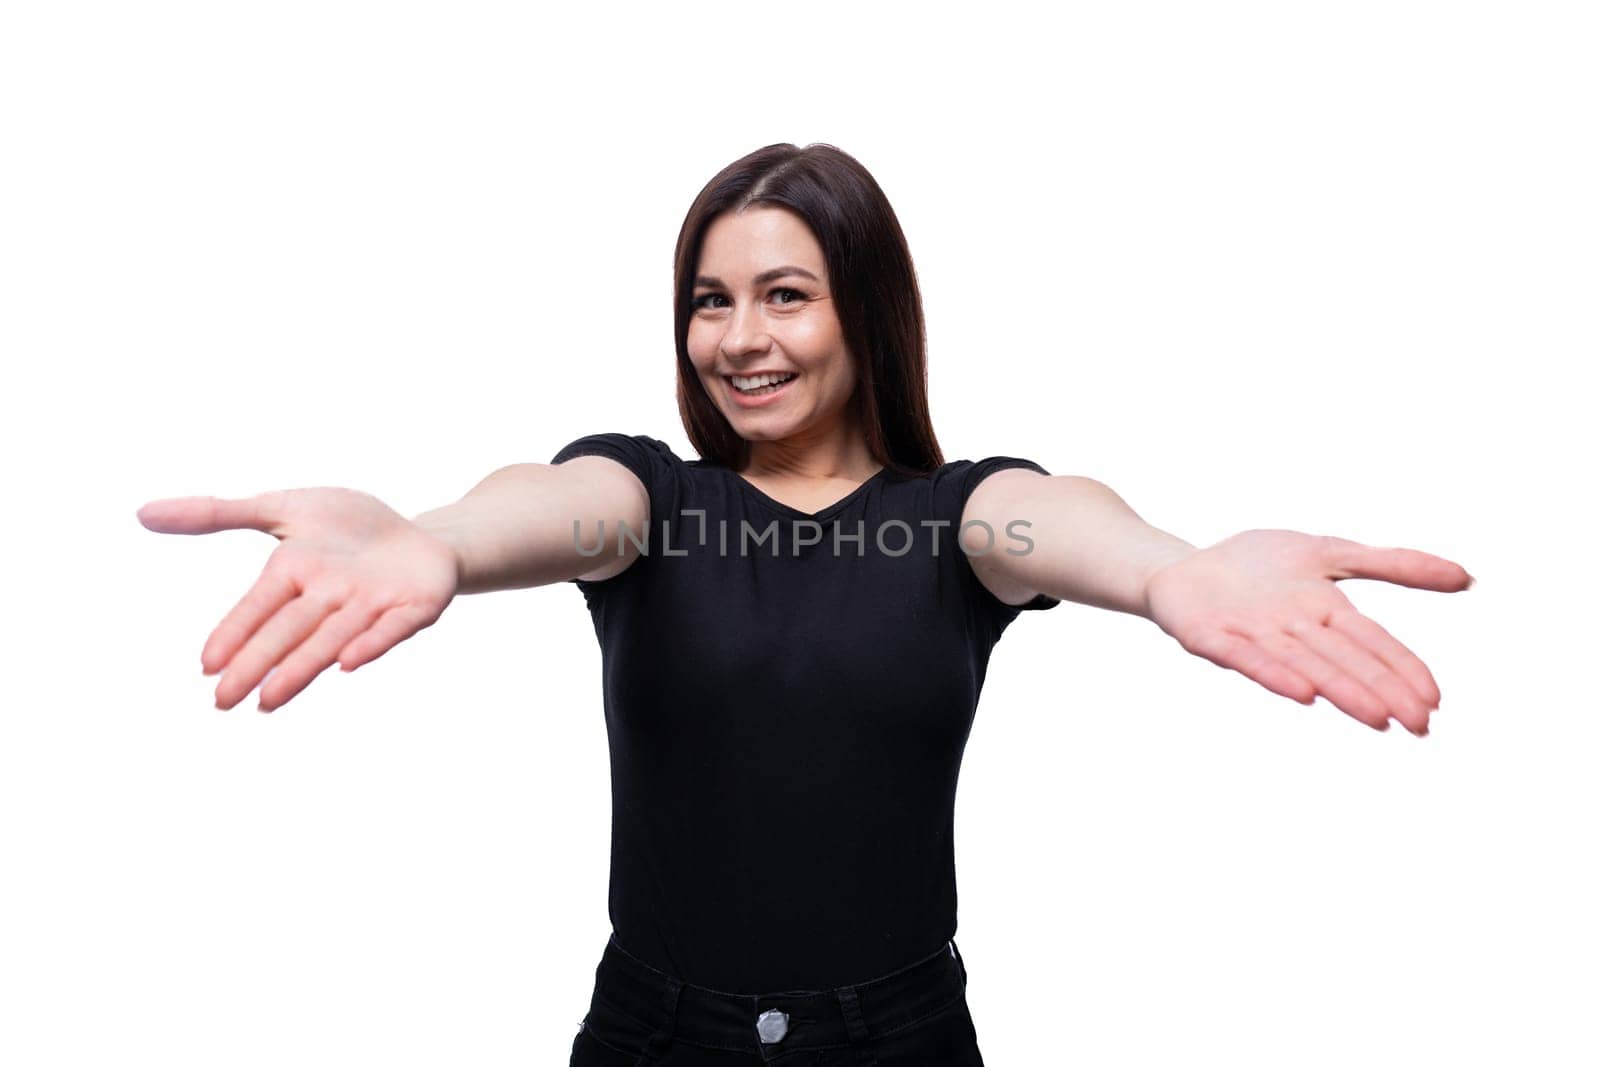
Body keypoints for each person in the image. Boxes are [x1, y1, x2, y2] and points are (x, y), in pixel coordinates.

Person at [137, 142, 1473, 1066]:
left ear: (866, 312)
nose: (738, 337)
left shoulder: (958, 519)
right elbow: (551, 505)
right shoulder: (649, 499)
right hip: (656, 1035)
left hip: (895, 1039)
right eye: (710, 302)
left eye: (786, 295)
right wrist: (435, 540)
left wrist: (1173, 570)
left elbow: (1070, 525)